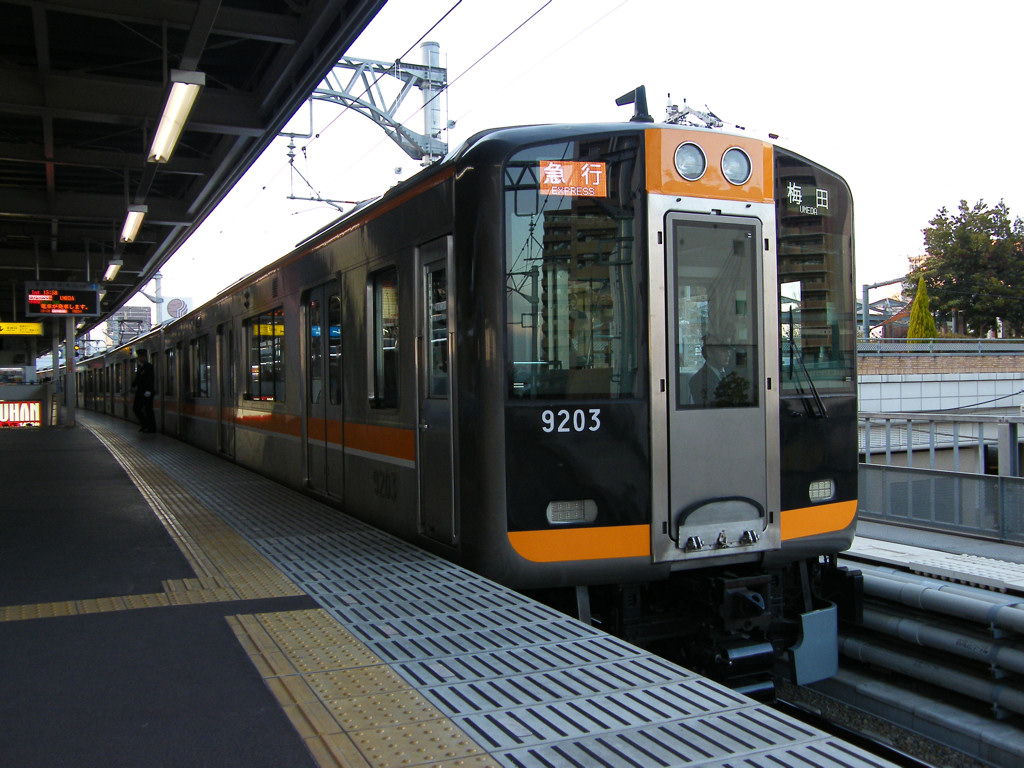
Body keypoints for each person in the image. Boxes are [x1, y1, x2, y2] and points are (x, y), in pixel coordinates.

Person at [689, 336, 733, 407]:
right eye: (723, 350)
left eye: (729, 350)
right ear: (709, 353)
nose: (728, 354)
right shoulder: (698, 380)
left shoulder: (731, 374)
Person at [131, 349, 157, 433]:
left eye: (142, 356)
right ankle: (145, 424)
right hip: (140, 392)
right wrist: (132, 385)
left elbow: (151, 379)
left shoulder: (149, 366)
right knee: (136, 409)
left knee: (148, 410)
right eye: (139, 357)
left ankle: (151, 428)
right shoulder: (140, 367)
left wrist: (149, 390)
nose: (140, 358)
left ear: (145, 357)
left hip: (147, 393)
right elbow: (137, 379)